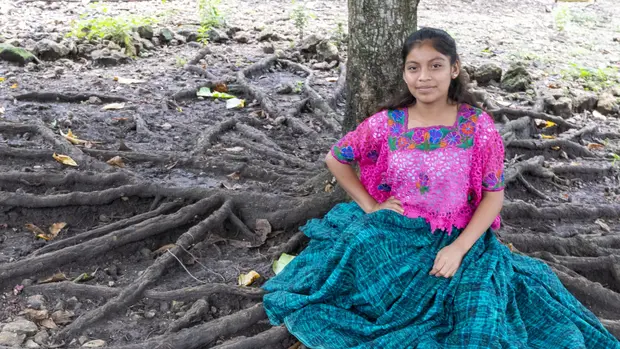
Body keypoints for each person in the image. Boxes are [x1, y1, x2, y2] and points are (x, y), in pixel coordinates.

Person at [261, 27, 620, 348]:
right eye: (413, 67)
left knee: (478, 324)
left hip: (459, 237)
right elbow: (336, 158)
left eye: (435, 66)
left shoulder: (478, 127)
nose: (424, 77)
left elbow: (494, 196)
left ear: (455, 69)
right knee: (356, 269)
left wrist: (459, 249)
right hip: (395, 230)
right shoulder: (387, 124)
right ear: (404, 73)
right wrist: (371, 207)